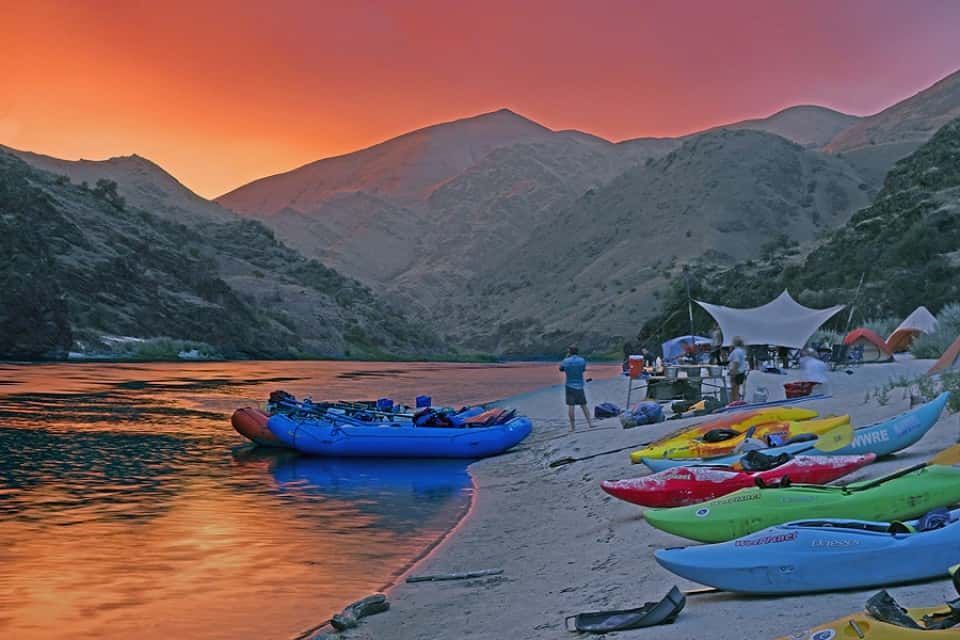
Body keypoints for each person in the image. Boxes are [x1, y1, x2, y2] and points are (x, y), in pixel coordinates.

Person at [560, 345, 592, 431]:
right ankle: (590, 423)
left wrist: (566, 358)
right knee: (584, 405)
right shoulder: (582, 360)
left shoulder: (565, 361)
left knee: (571, 406)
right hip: (580, 385)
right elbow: (583, 369)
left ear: (569, 352)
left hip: (569, 385)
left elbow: (561, 369)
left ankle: (573, 427)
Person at [728, 336, 748, 402]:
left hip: (737, 372)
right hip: (741, 372)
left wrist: (733, 373)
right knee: (737, 390)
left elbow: (736, 362)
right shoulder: (741, 351)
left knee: (735, 391)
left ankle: (735, 403)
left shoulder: (736, 351)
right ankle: (736, 402)